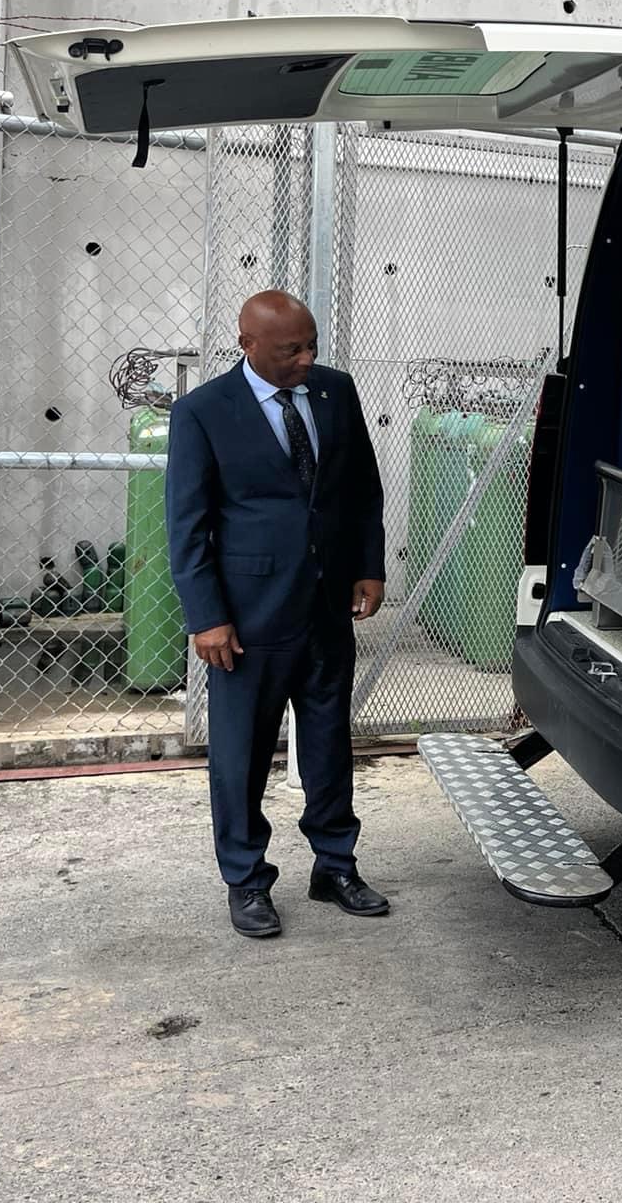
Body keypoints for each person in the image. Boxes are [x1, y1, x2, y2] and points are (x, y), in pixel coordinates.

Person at [165, 290, 390, 938]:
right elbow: (187, 526)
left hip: (326, 608)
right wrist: (206, 617)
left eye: (312, 343)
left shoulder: (334, 392)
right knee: (241, 754)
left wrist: (368, 567)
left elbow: (359, 490)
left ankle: (335, 865)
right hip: (247, 619)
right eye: (292, 349)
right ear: (248, 345)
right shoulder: (203, 413)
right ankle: (246, 880)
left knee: (328, 743)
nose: (308, 358)